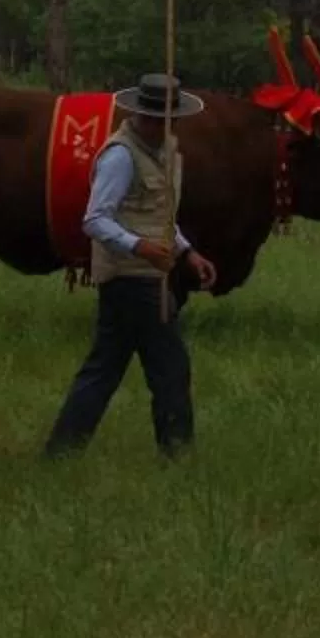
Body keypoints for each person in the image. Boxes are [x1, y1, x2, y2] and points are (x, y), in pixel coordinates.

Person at [45, 72, 214, 459]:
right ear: (146, 117)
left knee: (104, 368)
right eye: (163, 120)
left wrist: (187, 252)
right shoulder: (121, 156)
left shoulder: (165, 153)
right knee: (170, 368)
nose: (169, 127)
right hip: (132, 278)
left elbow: (159, 216)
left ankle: (62, 451)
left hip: (148, 274)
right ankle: (177, 454)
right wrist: (140, 247)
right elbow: (94, 219)